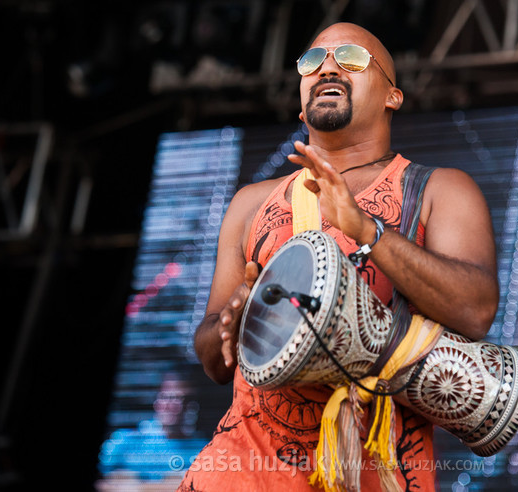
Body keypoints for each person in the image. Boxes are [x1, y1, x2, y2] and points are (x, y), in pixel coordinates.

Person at [177, 22, 499, 492]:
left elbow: (475, 311)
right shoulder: (251, 203)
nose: (327, 65)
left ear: (393, 96)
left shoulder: (440, 189)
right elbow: (213, 359)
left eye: (350, 57)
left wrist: (368, 230)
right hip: (239, 474)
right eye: (312, 61)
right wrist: (234, 321)